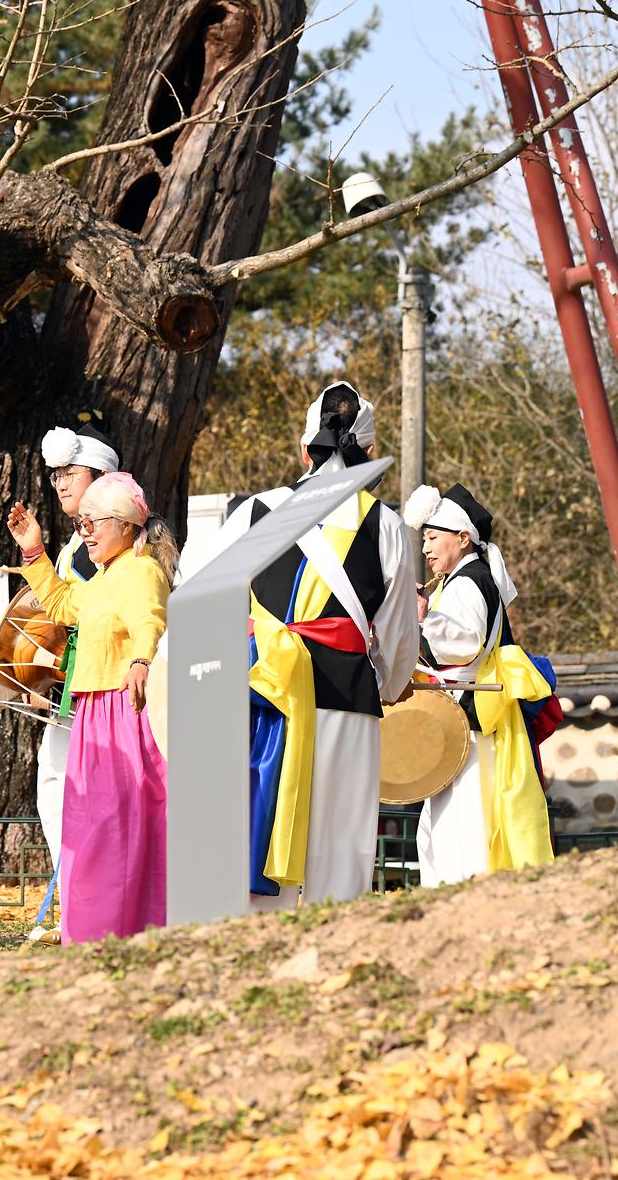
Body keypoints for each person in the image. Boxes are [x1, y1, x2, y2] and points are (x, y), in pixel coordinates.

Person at [178, 382, 421, 909]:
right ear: (370, 453)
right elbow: (401, 634)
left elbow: (195, 597)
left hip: (261, 692)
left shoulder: (253, 511)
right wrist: (394, 683)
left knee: (256, 817)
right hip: (344, 697)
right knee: (337, 840)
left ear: (304, 446)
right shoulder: (386, 526)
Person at [7, 471, 174, 943]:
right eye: (82, 523)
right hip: (94, 715)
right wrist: (34, 551)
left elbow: (149, 618)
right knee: (90, 827)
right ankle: (93, 930)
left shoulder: (141, 570)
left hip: (125, 712)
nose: (86, 532)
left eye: (93, 522)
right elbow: (61, 604)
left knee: (118, 827)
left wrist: (142, 658)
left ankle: (126, 927)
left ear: (125, 525)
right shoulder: (105, 576)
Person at [402, 484, 553, 884]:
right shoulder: (462, 579)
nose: (426, 549)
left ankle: (464, 893)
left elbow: (463, 643)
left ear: (463, 538)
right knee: (452, 818)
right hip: (465, 714)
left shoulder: (469, 581)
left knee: (463, 818)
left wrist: (423, 618)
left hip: (468, 716)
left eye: (433, 538)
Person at [30, 415, 120, 942]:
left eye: (71, 472)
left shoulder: (117, 545)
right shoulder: (72, 547)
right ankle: (78, 903)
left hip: (106, 692)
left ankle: (94, 904)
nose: (60, 482)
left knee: (92, 796)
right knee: (56, 791)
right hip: (72, 693)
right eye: (56, 474)